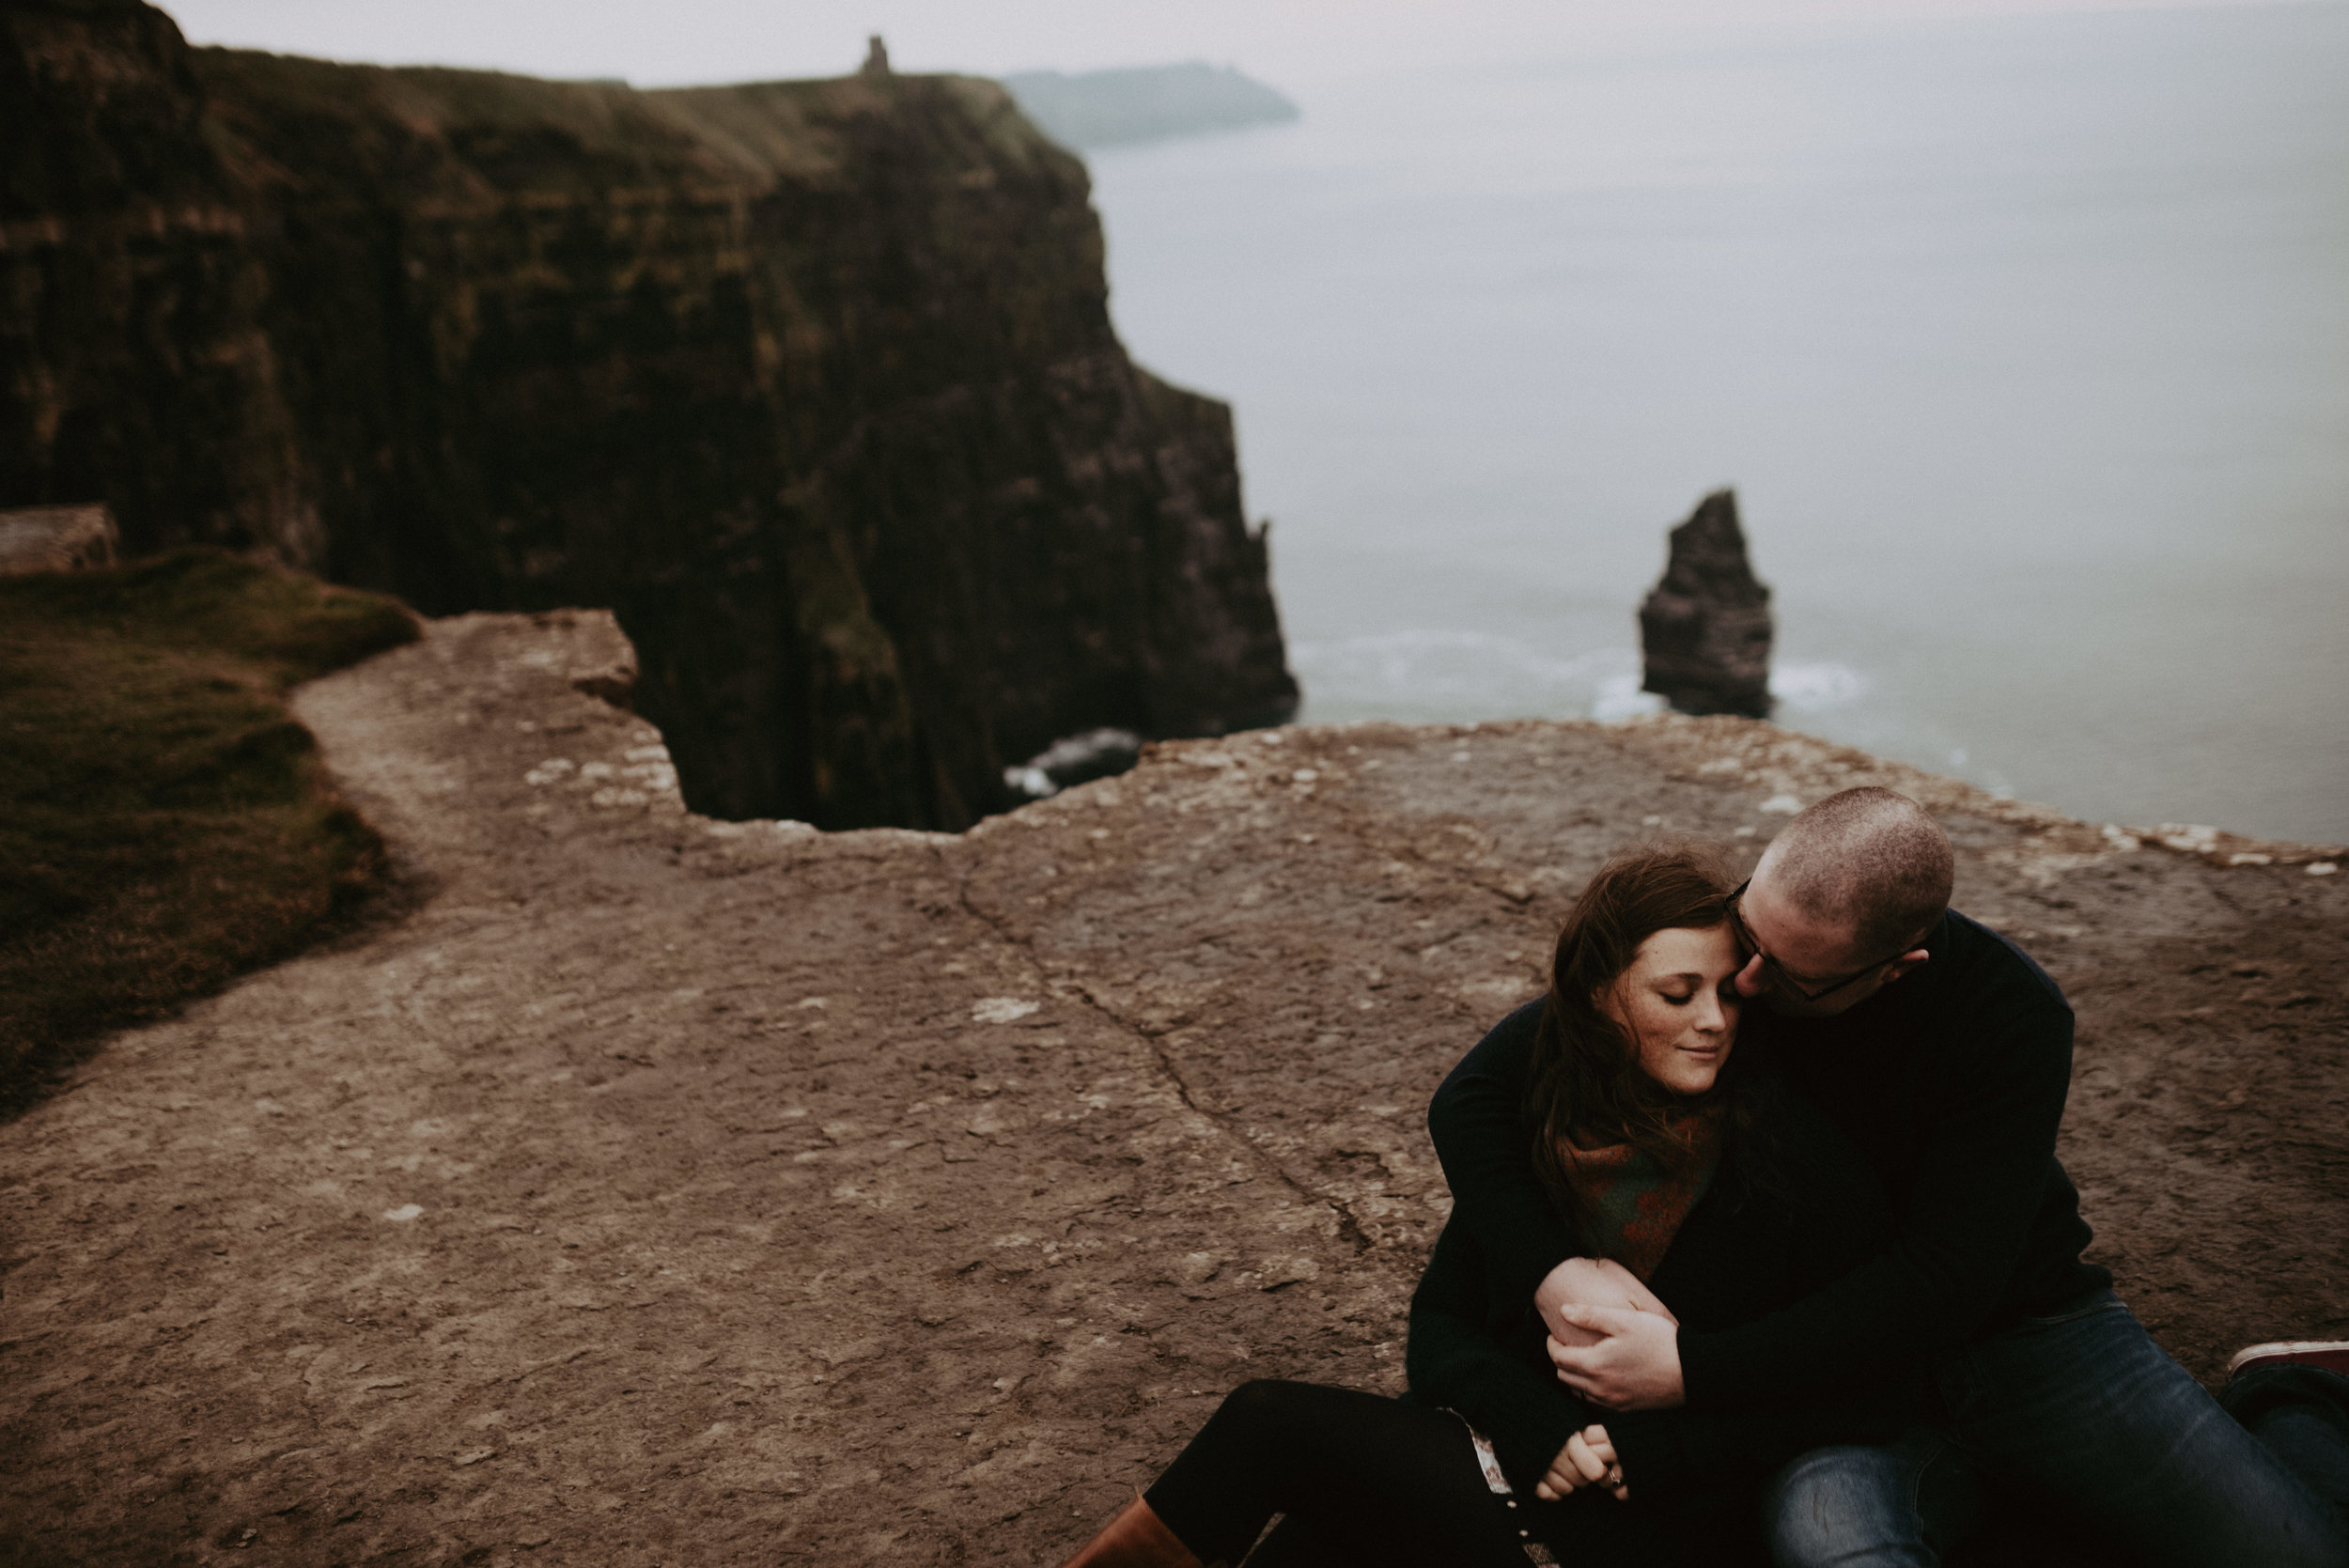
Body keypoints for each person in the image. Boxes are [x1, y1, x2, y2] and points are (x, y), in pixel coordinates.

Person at [1428, 786, 2349, 1567]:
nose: (1737, 987)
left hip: (2021, 1338)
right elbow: (1472, 1095)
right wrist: (1558, 1273)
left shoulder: (2009, 1017)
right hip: (1821, 1373)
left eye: (1780, 975)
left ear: (1893, 969)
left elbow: (1945, 1281)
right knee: (1828, 1543)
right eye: (1744, 931)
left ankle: (2293, 1399)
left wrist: (1692, 1371)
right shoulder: (1729, 953)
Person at [1054, 846, 1921, 1568]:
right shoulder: (1546, 1131)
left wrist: (1669, 1446)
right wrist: (1537, 1424)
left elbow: (1872, 1387)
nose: (1713, 1021)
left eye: (1729, 992)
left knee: (1269, 1425)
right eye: (1675, 992)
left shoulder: (1791, 1160)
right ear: (1596, 995)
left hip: (1649, 1517)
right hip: (1511, 1457)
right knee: (1305, 1546)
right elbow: (1440, 1325)